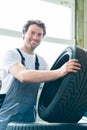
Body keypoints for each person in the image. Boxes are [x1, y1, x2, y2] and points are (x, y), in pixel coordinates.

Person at [0, 19, 81, 130]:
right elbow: (22, 76)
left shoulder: (41, 61)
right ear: (24, 33)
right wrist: (59, 71)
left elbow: (54, 85)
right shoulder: (12, 54)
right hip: (6, 116)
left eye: (39, 34)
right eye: (32, 33)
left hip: (29, 117)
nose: (35, 37)